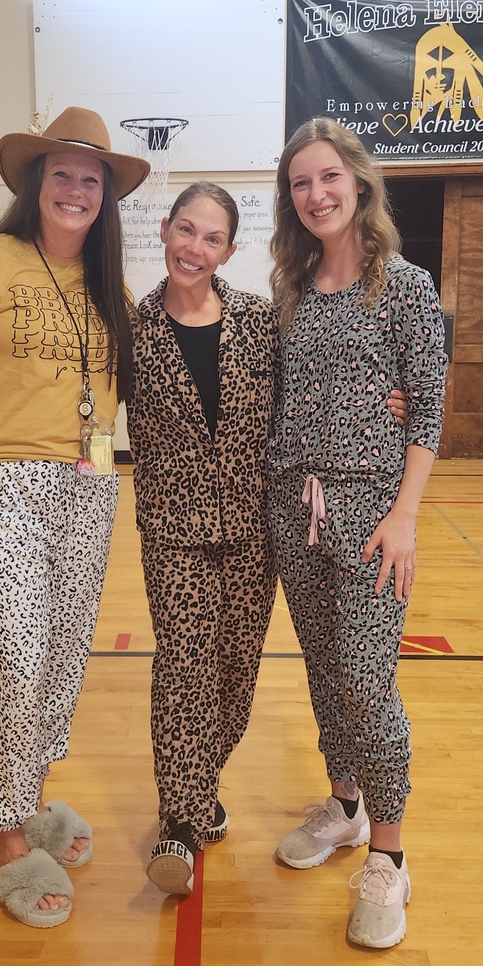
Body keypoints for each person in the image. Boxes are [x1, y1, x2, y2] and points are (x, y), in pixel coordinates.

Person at [126, 182, 410, 896]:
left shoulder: (261, 322)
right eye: (185, 230)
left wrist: (389, 397)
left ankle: (198, 788)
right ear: (163, 230)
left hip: (257, 527)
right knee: (185, 667)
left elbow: (323, 374)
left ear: (229, 250)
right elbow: (65, 385)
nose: (195, 247)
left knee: (234, 675)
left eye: (212, 237)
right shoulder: (131, 329)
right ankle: (179, 821)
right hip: (174, 530)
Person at [0, 107, 149, 928]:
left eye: (92, 179)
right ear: (35, 182)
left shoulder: (113, 290)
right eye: (62, 174)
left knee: (59, 660)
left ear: (106, 197)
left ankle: (32, 801)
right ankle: (6, 839)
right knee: (15, 655)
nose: (76, 189)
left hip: (88, 488)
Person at [267, 118, 447, 948]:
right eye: (301, 182)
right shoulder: (292, 289)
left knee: (369, 684)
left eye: (329, 176)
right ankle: (345, 807)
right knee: (326, 672)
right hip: (293, 509)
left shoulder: (404, 286)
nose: (317, 194)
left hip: (374, 514)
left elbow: (428, 409)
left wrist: (404, 515)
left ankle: (390, 855)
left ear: (360, 182)